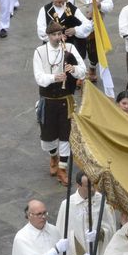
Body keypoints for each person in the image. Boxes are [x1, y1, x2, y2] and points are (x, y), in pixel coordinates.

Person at [33, 22, 87, 185]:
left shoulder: (69, 48)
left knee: (65, 134)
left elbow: (83, 70)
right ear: (48, 36)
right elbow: (39, 77)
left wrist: (73, 69)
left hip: (65, 99)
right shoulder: (40, 51)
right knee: (47, 137)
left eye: (59, 34)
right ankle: (53, 156)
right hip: (48, 99)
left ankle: (62, 169)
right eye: (54, 35)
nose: (57, 37)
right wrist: (54, 78)